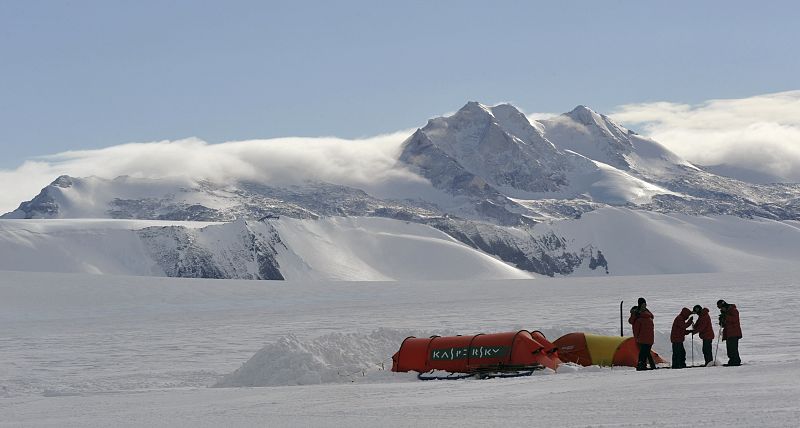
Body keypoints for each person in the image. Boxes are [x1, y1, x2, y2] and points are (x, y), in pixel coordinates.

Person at [629, 297, 656, 371]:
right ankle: (648, 365)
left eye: (645, 304)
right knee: (646, 352)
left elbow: (634, 325)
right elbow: (633, 323)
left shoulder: (641, 316)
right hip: (646, 338)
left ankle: (642, 365)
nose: (644, 306)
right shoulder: (643, 316)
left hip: (645, 338)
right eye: (643, 304)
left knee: (644, 353)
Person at [717, 299, 742, 366]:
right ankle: (732, 361)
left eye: (721, 307)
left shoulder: (733, 310)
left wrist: (725, 317)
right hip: (728, 333)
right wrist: (721, 321)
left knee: (733, 348)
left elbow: (734, 319)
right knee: (729, 349)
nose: (721, 309)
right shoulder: (726, 312)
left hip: (734, 332)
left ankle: (736, 361)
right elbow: (724, 325)